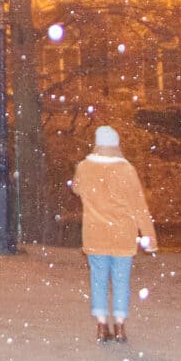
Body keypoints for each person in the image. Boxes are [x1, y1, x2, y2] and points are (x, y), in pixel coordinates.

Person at [71, 125, 157, 343]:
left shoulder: (83, 167)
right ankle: (119, 326)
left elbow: (77, 189)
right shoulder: (126, 169)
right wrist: (149, 238)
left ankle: (101, 326)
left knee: (98, 279)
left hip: (95, 234)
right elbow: (139, 206)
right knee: (121, 280)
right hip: (122, 234)